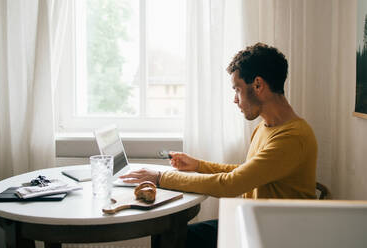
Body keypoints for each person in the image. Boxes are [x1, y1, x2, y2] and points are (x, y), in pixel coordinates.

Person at [120, 43, 317, 248]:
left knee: (173, 239)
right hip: (255, 225)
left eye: (237, 89)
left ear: (258, 85)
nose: (235, 99)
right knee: (167, 235)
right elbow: (247, 172)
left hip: (275, 237)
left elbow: (232, 184)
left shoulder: (292, 137)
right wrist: (198, 165)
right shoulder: (266, 128)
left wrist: (160, 177)